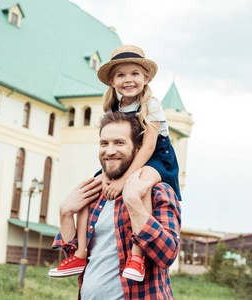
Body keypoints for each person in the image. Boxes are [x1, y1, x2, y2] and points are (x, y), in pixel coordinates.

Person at [48, 45, 181, 282]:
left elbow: (148, 147)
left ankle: (137, 256)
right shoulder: (114, 107)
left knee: (140, 186)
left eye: (134, 74)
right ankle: (79, 253)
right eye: (121, 75)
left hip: (156, 157)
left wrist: (122, 180)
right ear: (112, 81)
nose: (128, 80)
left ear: (145, 78)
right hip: (132, 156)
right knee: (91, 186)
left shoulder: (150, 105)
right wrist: (111, 177)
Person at [51, 112, 181, 299]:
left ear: (138, 149)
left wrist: (134, 202)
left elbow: (167, 254)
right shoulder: (94, 195)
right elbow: (74, 255)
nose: (110, 151)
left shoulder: (157, 191)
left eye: (119, 143)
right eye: (104, 143)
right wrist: (65, 214)